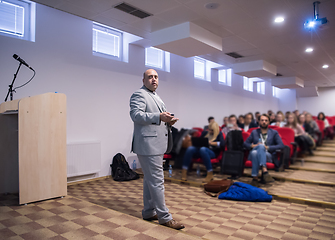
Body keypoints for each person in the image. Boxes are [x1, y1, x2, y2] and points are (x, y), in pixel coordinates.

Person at [130, 69, 184, 230]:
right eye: (150, 77)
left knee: (149, 180)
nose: (154, 79)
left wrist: (168, 121)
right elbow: (136, 115)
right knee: (157, 181)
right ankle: (164, 217)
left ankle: (148, 212)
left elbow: (157, 117)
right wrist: (159, 117)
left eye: (156, 77)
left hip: (156, 144)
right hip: (148, 145)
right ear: (143, 80)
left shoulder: (156, 96)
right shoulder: (139, 95)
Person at [244, 114, 284, 187]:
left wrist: (267, 147)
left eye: (266, 120)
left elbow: (281, 145)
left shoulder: (274, 133)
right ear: (259, 122)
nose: (264, 122)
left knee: (254, 152)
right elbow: (245, 143)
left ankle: (255, 178)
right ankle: (264, 170)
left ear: (269, 122)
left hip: (268, 155)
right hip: (255, 152)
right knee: (258, 148)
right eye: (262, 120)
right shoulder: (254, 132)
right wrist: (252, 145)